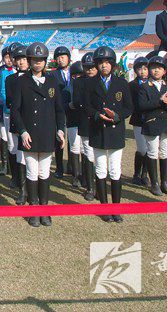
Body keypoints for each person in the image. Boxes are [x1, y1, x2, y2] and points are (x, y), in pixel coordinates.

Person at [10, 42, 66, 227]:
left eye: (41, 59)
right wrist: (23, 131)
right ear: (30, 60)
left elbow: (59, 110)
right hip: (30, 134)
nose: (38, 63)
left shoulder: (52, 82)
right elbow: (16, 110)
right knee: (32, 172)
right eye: (34, 59)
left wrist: (60, 129)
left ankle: (44, 210)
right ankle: (34, 210)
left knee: (44, 172)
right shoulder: (21, 81)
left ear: (45, 61)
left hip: (48, 133)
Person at [87, 46, 132, 223]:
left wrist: (118, 116)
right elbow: (86, 106)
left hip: (116, 131)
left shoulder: (121, 83)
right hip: (98, 130)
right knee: (100, 169)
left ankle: (116, 208)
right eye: (100, 63)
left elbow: (129, 106)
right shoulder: (90, 83)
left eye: (107, 62)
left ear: (113, 64)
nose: (104, 66)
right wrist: (97, 115)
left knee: (115, 170)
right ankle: (104, 207)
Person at [138, 56, 167, 197]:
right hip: (151, 123)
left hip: (166, 122)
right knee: (152, 152)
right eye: (153, 68)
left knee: (165, 152)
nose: (156, 71)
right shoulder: (144, 86)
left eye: (159, 68)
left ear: (164, 71)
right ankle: (154, 183)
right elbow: (142, 106)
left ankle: (164, 182)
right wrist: (160, 101)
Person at [4, 42, 29, 204]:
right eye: (18, 59)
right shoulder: (10, 79)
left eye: (24, 59)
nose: (20, 62)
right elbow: (10, 103)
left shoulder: (38, 77)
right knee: (19, 155)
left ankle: (32, 190)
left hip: (34, 122)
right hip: (16, 122)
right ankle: (22, 190)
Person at [75, 52, 98, 201]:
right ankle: (90, 187)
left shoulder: (102, 81)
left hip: (102, 124)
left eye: (92, 67)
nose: (89, 70)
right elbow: (77, 102)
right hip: (85, 122)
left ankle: (100, 185)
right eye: (86, 67)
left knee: (101, 157)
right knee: (88, 155)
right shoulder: (78, 82)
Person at [0, 45, 14, 178]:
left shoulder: (19, 71)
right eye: (6, 57)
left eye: (11, 57)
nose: (9, 60)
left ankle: (15, 164)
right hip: (3, 110)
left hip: (18, 110)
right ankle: (5, 165)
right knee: (4, 137)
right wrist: (4, 103)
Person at [51, 46, 72, 179]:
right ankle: (59, 167)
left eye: (63, 57)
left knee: (74, 141)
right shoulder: (52, 75)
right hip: (60, 111)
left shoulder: (75, 72)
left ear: (68, 58)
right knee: (60, 139)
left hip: (75, 111)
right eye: (58, 57)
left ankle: (72, 166)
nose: (60, 59)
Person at [128, 57, 150, 187]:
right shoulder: (132, 85)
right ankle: (136, 173)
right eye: (140, 69)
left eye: (145, 69)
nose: (143, 71)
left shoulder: (153, 83)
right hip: (138, 120)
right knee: (142, 148)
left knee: (150, 148)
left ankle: (145, 174)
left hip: (151, 120)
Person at [64, 59, 85, 191]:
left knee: (85, 149)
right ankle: (76, 175)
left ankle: (85, 173)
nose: (79, 78)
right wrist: (70, 105)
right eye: (77, 75)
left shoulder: (87, 87)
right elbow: (62, 105)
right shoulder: (67, 89)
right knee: (75, 147)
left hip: (85, 122)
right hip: (72, 122)